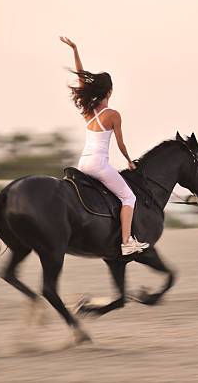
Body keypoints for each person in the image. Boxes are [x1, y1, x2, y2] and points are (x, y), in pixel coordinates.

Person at [61, 36, 149, 255]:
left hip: (83, 164)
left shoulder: (88, 113)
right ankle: (127, 242)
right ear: (109, 92)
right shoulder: (113, 115)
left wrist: (75, 50)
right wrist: (129, 162)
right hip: (99, 165)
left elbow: (82, 79)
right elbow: (120, 143)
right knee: (129, 197)